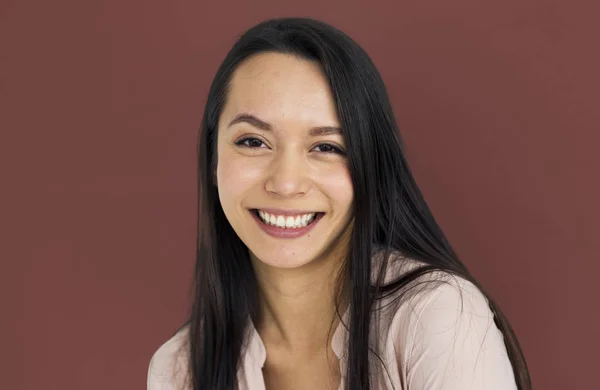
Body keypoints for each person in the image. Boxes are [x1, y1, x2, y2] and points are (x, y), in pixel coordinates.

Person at [147, 17, 531, 390]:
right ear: (213, 157)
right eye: (253, 141)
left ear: (370, 167)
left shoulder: (436, 315)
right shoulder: (181, 369)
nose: (285, 182)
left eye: (327, 147)